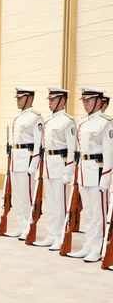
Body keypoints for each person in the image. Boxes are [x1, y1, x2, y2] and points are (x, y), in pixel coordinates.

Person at [67, 88, 113, 262]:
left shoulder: (106, 123)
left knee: (99, 213)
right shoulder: (83, 123)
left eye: (88, 101)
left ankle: (99, 249)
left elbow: (109, 153)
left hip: (98, 172)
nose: (85, 104)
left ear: (99, 102)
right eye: (84, 101)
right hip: (85, 171)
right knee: (89, 213)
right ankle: (88, 245)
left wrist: (106, 178)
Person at [32, 88, 76, 250]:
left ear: (62, 101)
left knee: (60, 204)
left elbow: (73, 149)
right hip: (49, 166)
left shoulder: (68, 121)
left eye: (53, 99)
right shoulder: (49, 121)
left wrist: (68, 171)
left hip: (60, 166)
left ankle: (61, 237)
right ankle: (52, 234)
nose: (49, 102)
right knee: (50, 202)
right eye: (49, 99)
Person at [4, 88, 43, 240]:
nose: (17, 101)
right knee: (18, 197)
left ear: (29, 98)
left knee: (26, 197)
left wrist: (34, 163)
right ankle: (20, 226)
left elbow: (38, 143)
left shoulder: (35, 118)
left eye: (20, 98)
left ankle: (28, 227)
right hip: (16, 159)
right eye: (17, 98)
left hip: (26, 160)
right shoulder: (18, 117)